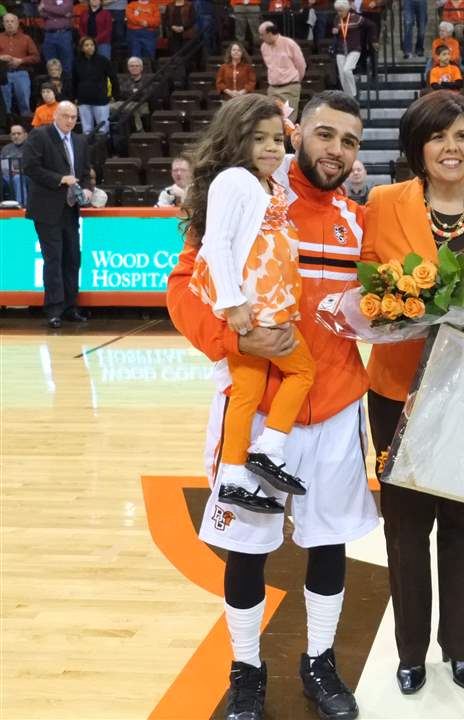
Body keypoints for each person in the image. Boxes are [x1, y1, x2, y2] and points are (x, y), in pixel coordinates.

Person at [166, 90, 372, 720]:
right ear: (295, 133)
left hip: (335, 406)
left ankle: (320, 661)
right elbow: (183, 289)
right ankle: (247, 669)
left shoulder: (359, 220)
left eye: (350, 142)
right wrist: (236, 339)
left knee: (329, 543)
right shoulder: (247, 197)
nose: (336, 151)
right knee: (246, 547)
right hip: (255, 409)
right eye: (325, 135)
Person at [360, 89, 464, 697]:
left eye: (462, 136)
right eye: (437, 136)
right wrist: (396, 310)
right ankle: (410, 653)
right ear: (418, 147)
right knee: (406, 529)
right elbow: (367, 292)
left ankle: (459, 648)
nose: (450, 147)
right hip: (398, 389)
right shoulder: (382, 204)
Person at [186, 94, 315, 521]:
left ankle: (238, 471)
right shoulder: (234, 180)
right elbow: (217, 243)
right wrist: (232, 302)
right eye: (258, 139)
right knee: (299, 372)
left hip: (270, 299)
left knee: (249, 390)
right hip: (253, 305)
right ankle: (264, 451)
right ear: (236, 139)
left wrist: (293, 130)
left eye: (276, 139)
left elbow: (290, 157)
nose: (271, 147)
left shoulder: (267, 181)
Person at [21, 101, 91, 328]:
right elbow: (30, 167)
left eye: (73, 117)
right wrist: (59, 179)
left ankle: (70, 307)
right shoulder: (40, 135)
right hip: (46, 209)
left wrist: (87, 188)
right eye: (66, 116)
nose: (70, 120)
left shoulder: (80, 141)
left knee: (72, 258)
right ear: (55, 116)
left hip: (70, 208)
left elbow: (85, 172)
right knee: (54, 258)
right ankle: (54, 309)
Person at [71, 36, 116, 136]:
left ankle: (104, 145)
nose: (90, 47)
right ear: (81, 48)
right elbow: (74, 81)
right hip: (83, 100)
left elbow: (113, 78)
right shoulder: (76, 62)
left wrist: (114, 94)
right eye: (86, 45)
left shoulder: (103, 60)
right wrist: (74, 97)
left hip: (100, 100)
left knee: (103, 129)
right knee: (87, 130)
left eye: (92, 45)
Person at [260, 22, 305, 121]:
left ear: (269, 33)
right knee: (272, 119)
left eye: (262, 35)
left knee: (288, 121)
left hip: (289, 87)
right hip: (273, 88)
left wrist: (296, 81)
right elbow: (269, 66)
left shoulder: (289, 44)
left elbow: (301, 65)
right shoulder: (263, 47)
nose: (260, 37)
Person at [0, 13, 40, 116]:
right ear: (3, 24)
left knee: (24, 104)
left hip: (21, 73)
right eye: (7, 21)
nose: (9, 24)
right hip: (3, 75)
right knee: (4, 105)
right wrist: (1, 57)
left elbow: (36, 57)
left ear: (17, 23)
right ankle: (7, 124)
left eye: (12, 21)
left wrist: (21, 61)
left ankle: (25, 123)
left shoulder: (26, 38)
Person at [329, 0, 362, 99]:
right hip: (340, 48)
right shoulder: (336, 18)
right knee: (342, 74)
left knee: (347, 70)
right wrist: (335, 30)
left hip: (353, 47)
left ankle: (353, 94)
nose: (339, 12)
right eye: (338, 10)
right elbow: (336, 28)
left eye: (341, 10)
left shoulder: (355, 17)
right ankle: (348, 96)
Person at [111, 55, 153, 131]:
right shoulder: (123, 80)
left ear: (141, 68)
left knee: (133, 109)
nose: (134, 68)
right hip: (124, 103)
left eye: (137, 66)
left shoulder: (147, 81)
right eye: (132, 66)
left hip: (141, 104)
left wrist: (129, 94)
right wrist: (134, 93)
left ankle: (140, 132)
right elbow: (120, 94)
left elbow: (146, 95)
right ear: (128, 68)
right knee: (107, 108)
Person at [40, 0, 74, 73]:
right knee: (50, 64)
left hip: (64, 35)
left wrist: (45, 7)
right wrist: (60, 13)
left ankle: (66, 80)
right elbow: (43, 13)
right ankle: (53, 80)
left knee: (67, 64)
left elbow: (63, 10)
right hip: (49, 35)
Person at [356, 0, 385, 81]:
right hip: (361, 13)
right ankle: (362, 68)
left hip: (374, 14)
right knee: (361, 42)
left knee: (373, 43)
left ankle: (374, 72)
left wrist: (377, 3)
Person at [0, 121, 27, 203]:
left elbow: (33, 166)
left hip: (25, 176)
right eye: (13, 134)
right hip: (7, 176)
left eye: (19, 133)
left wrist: (19, 171)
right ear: (10, 136)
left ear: (25, 135)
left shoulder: (30, 147)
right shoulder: (6, 148)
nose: (16, 136)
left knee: (17, 178)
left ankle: (21, 206)